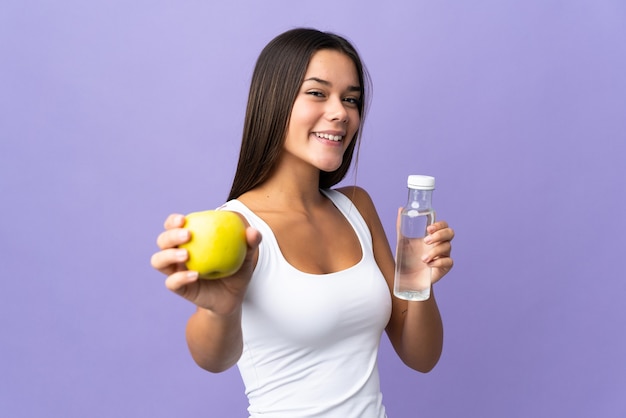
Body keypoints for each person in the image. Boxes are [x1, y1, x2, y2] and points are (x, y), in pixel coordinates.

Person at [151, 28, 455, 418]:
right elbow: (213, 359)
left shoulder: (357, 207)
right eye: (317, 93)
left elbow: (421, 357)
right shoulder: (237, 227)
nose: (340, 113)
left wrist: (421, 284)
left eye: (351, 99)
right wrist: (220, 310)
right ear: (275, 101)